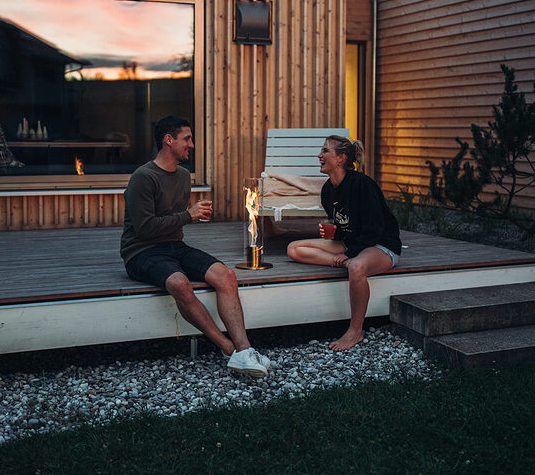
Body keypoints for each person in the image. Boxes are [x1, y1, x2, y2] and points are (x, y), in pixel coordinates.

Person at [120, 115, 271, 377]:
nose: (191, 144)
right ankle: (228, 348)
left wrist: (189, 216)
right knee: (179, 283)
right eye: (187, 139)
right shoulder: (143, 177)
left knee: (226, 275)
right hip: (141, 251)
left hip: (174, 245)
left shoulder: (182, 176)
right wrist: (188, 215)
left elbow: (174, 221)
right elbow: (144, 229)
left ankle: (245, 349)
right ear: (169, 140)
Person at [287, 136, 401, 352]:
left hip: (381, 245)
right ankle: (342, 262)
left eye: (325, 151)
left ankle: (355, 331)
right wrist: (335, 233)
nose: (319, 155)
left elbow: (375, 229)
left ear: (341, 158)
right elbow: (348, 226)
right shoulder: (327, 191)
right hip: (353, 244)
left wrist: (351, 254)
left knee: (357, 266)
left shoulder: (363, 184)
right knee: (294, 249)